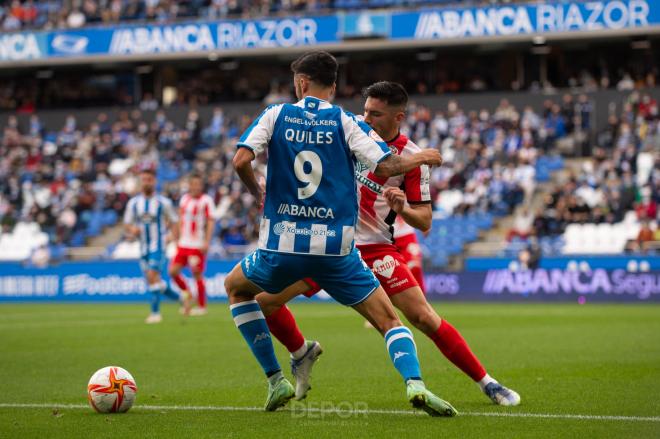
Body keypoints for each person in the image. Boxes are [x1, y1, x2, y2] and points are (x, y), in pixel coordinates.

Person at [259, 81, 520, 406]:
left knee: (423, 317)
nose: (366, 117)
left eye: (376, 113)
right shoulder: (348, 128)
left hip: (375, 249)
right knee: (264, 301)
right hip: (328, 243)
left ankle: (487, 383)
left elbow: (424, 221)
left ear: (398, 117)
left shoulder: (412, 157)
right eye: (366, 110)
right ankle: (301, 352)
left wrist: (403, 208)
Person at [223, 51, 454, 415]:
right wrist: (423, 157)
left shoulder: (276, 114)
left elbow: (240, 160)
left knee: (237, 289)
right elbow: (389, 163)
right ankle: (415, 384)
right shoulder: (347, 122)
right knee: (389, 320)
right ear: (333, 86)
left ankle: (276, 378)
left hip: (282, 245)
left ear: (300, 83)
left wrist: (258, 192)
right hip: (337, 251)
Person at [124, 168, 191, 324]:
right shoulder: (134, 203)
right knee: (154, 281)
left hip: (158, 246)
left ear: (154, 181)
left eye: (149, 179)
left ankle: (155, 313)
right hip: (143, 248)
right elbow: (127, 223)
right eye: (144, 179)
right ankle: (181, 297)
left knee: (153, 277)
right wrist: (132, 229)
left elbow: (174, 221)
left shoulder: (163, 203)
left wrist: (174, 240)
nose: (146, 182)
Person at [169, 173, 216, 315]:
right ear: (189, 185)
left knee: (197, 273)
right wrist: (176, 238)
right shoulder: (184, 199)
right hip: (183, 243)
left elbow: (210, 221)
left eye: (198, 184)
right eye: (193, 184)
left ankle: (202, 307)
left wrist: (207, 242)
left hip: (197, 244)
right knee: (173, 271)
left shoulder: (207, 200)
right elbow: (179, 219)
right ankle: (188, 294)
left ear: (201, 186)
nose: (195, 187)